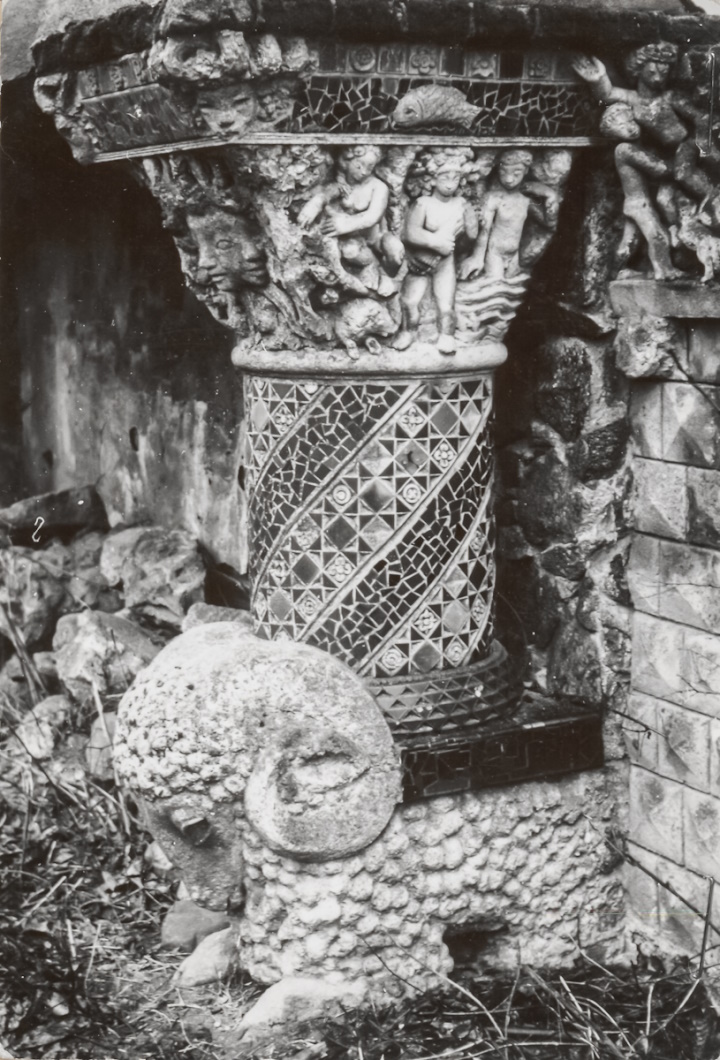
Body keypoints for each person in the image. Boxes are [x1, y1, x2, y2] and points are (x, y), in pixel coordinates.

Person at [572, 45, 691, 279]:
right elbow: (607, 94)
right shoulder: (627, 139)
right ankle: (664, 271)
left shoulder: (668, 98)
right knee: (656, 234)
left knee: (632, 240)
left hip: (650, 188)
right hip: (645, 195)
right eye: (653, 71)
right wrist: (599, 78)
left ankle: (623, 271)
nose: (659, 76)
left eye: (664, 71)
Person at [393, 148, 478, 354]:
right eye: (444, 178)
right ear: (432, 179)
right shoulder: (423, 203)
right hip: (420, 261)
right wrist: (436, 241)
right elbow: (410, 233)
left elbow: (467, 241)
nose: (450, 184)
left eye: (455, 179)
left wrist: (471, 226)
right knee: (409, 300)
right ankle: (408, 332)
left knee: (446, 303)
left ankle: (446, 335)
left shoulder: (461, 204)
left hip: (446, 263)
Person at [297, 145, 401, 297]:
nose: (364, 171)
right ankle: (366, 280)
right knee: (350, 251)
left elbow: (373, 216)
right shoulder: (341, 185)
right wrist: (315, 203)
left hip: (376, 239)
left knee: (395, 251)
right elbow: (326, 195)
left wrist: (346, 224)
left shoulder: (378, 187)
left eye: (370, 167)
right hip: (353, 240)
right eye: (359, 166)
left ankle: (387, 276)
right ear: (346, 162)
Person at [459, 149, 533, 282]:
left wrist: (550, 194)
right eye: (503, 173)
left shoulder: (526, 200)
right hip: (495, 253)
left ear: (526, 171)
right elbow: (485, 230)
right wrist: (477, 257)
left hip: (514, 255)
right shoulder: (493, 198)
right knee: (495, 283)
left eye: (516, 174)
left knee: (515, 286)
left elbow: (548, 223)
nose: (509, 179)